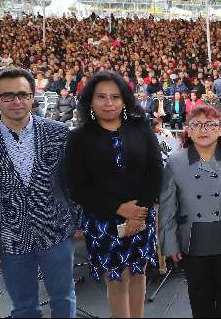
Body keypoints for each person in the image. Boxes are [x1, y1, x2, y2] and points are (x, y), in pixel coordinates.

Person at [0, 67, 77, 318]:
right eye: (8, 95)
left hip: (55, 231)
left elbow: (73, 183)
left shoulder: (58, 132)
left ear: (33, 96)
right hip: (8, 238)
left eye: (23, 95)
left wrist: (78, 221)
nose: (17, 101)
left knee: (63, 298)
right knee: (23, 307)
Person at [66, 70, 162, 319]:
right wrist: (119, 209)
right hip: (103, 220)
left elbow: (156, 173)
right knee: (116, 280)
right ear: (90, 101)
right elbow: (77, 187)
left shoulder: (141, 128)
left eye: (115, 97)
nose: (109, 103)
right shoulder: (79, 138)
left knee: (138, 273)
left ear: (124, 100)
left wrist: (138, 213)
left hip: (141, 217)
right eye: (102, 97)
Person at [159, 104, 221, 318]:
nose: (203, 130)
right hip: (192, 240)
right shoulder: (175, 161)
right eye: (196, 124)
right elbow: (167, 207)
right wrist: (171, 243)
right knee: (199, 301)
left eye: (210, 124)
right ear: (188, 130)